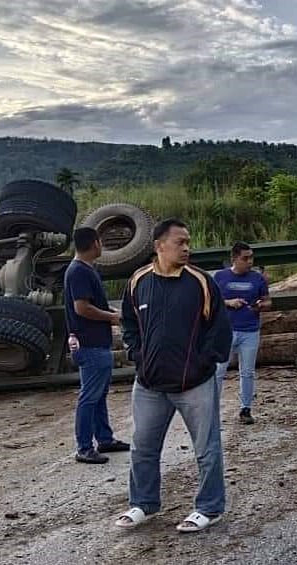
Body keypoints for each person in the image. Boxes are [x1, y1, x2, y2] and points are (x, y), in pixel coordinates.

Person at [114, 218, 232, 533]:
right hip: (150, 384)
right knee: (142, 447)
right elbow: (128, 323)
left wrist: (202, 362)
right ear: (159, 245)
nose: (187, 248)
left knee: (207, 449)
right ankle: (144, 504)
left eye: (188, 242)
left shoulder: (201, 282)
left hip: (194, 384)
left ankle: (209, 508)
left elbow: (220, 331)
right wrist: (137, 355)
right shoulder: (138, 280)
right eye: (181, 242)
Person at [63, 227, 129, 464]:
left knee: (99, 394)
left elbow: (94, 303)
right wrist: (111, 318)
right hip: (90, 344)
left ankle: (104, 438)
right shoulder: (79, 272)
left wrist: (115, 312)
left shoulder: (85, 270)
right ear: (94, 243)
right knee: (90, 396)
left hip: (95, 342)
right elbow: (82, 308)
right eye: (101, 242)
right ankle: (84, 447)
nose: (102, 246)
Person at [214, 242, 270, 425]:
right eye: (245, 258)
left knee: (247, 372)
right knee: (218, 371)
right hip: (226, 330)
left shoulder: (257, 278)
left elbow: (268, 301)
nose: (249, 262)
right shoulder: (220, 277)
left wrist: (261, 305)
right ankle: (211, 408)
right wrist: (229, 303)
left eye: (251, 258)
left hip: (250, 330)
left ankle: (245, 408)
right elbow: (211, 301)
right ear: (234, 259)